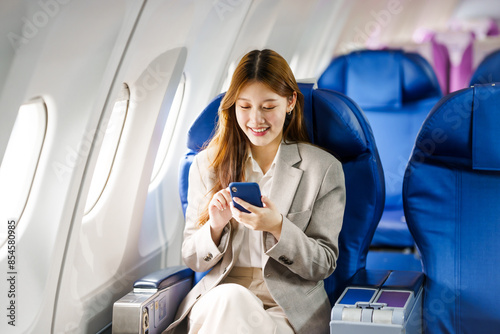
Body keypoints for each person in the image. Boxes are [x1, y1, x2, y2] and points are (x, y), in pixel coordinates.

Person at [165, 49, 345, 334]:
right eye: (244, 106)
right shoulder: (207, 165)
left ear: (290, 102)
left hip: (285, 310)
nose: (255, 119)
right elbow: (192, 258)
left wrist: (278, 227)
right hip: (217, 299)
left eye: (268, 106)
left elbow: (322, 264)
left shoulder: (322, 169)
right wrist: (215, 226)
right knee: (231, 299)